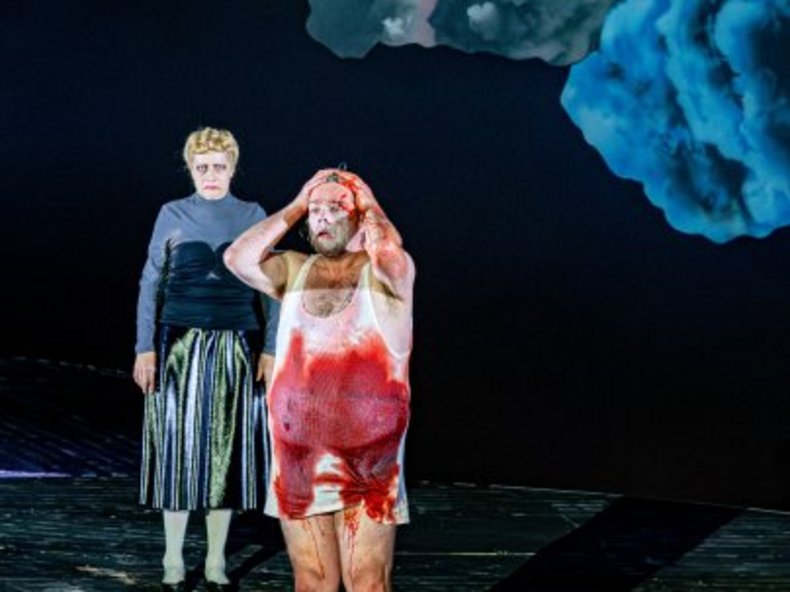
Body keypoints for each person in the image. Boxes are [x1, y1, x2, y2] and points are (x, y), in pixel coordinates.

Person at [224, 168, 414, 592]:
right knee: (313, 582)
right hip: (299, 461)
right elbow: (237, 258)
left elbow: (389, 252)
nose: (323, 216)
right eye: (317, 210)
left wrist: (368, 202)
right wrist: (297, 204)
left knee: (368, 582)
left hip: (369, 464)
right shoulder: (294, 270)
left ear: (359, 216)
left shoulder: (385, 276)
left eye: (336, 207)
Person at [133, 127, 278, 592]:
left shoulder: (253, 214)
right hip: (179, 345)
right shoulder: (172, 213)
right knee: (176, 450)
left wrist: (271, 348)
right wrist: (144, 347)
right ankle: (173, 558)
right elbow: (150, 282)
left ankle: (216, 561)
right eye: (202, 167)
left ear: (232, 168)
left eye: (218, 167)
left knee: (225, 455)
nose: (210, 175)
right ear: (190, 169)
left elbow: (271, 289)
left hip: (237, 345)